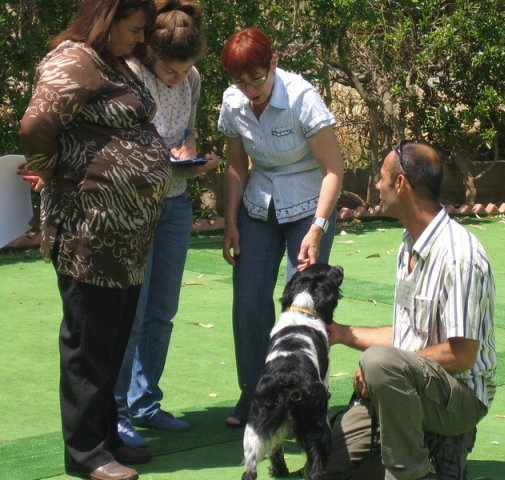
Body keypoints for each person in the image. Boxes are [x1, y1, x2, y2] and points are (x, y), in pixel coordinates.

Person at [18, 1, 171, 479]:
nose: (140, 39)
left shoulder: (114, 63)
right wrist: (49, 172)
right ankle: (84, 453)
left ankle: (104, 437)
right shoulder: (75, 59)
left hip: (124, 237)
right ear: (108, 18)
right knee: (87, 343)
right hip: (89, 231)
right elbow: (35, 125)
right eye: (135, 28)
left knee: (111, 340)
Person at [325, 141, 496, 480]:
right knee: (328, 466)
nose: (376, 185)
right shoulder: (409, 244)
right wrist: (342, 334)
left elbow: (461, 355)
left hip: (460, 396)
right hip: (414, 386)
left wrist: (385, 369)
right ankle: (432, 451)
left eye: (381, 177)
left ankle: (413, 472)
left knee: (379, 363)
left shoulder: (459, 256)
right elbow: (406, 336)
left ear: (401, 183)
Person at [217, 27, 344, 428]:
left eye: (257, 77)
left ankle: (304, 398)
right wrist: (231, 221)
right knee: (250, 301)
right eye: (240, 80)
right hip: (259, 205)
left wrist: (318, 227)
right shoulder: (233, 102)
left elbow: (333, 170)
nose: (250, 88)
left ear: (273, 63)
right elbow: (236, 166)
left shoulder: (303, 98)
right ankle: (253, 394)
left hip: (310, 203)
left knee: (301, 308)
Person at [113, 0, 219, 448]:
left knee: (163, 312)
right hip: (135, 205)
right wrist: (166, 158)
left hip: (175, 203)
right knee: (130, 315)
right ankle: (116, 410)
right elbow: (122, 144)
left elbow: (187, 130)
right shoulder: (130, 75)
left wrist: (191, 156)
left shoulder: (191, 79)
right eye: (170, 70)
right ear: (150, 52)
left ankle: (146, 402)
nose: (177, 78)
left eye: (184, 70)